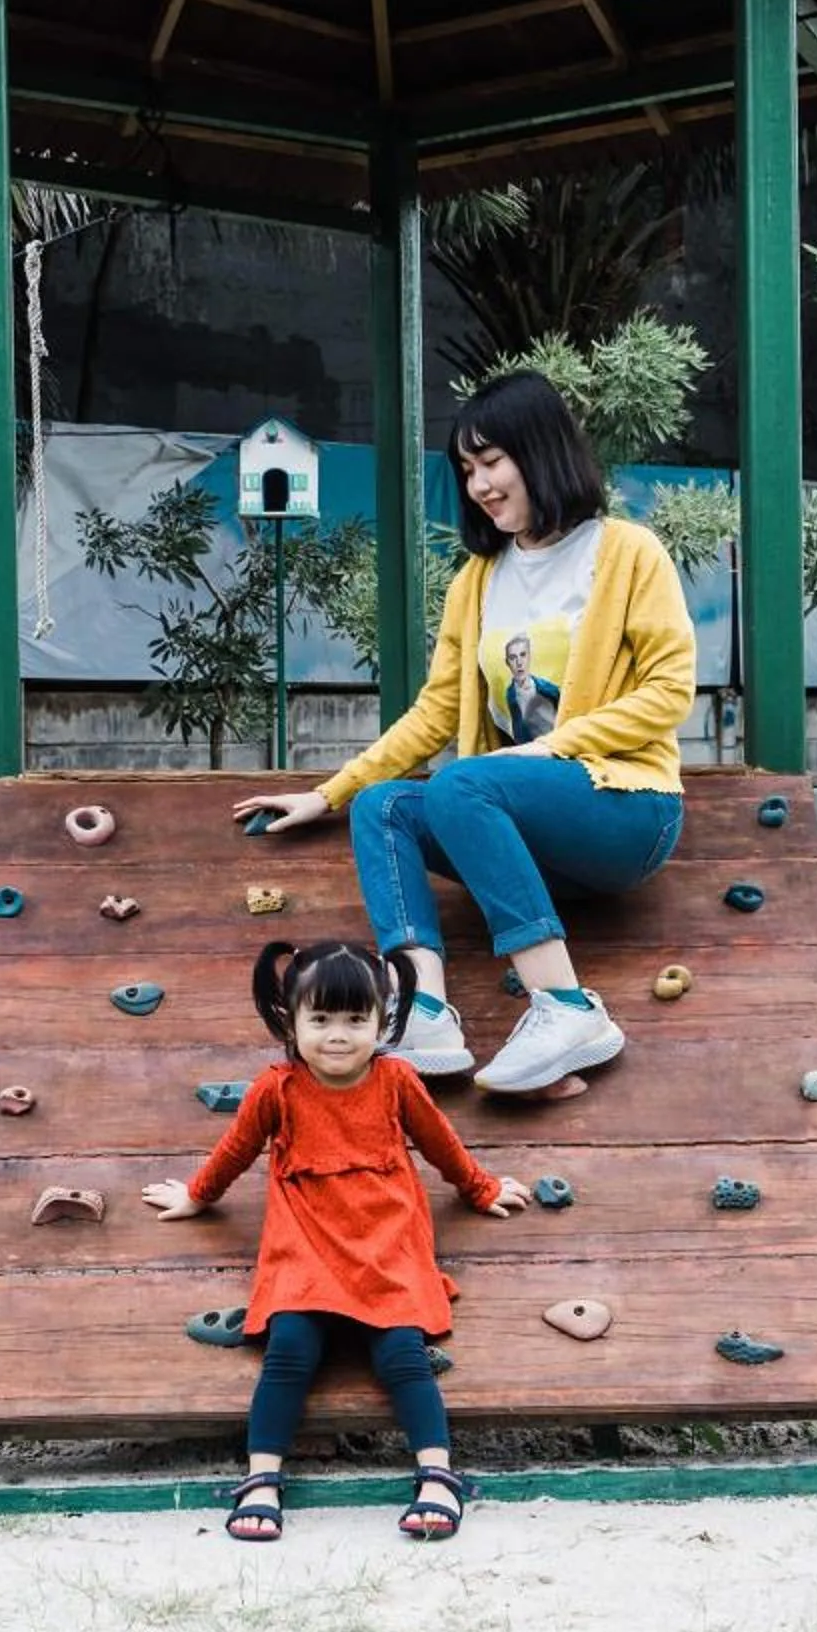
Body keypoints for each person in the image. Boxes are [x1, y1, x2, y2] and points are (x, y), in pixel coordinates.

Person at [234, 370, 696, 1096]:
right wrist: (329, 793)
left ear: (539, 451)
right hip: (516, 828)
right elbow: (436, 713)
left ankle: (566, 1007)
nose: (479, 484)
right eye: (467, 469)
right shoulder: (478, 580)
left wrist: (551, 747)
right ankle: (423, 1010)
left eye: (492, 461)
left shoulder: (627, 553)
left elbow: (668, 692)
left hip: (622, 808)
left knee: (462, 781)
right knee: (384, 807)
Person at [140, 939, 531, 1543]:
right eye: (320, 1020)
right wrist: (197, 1195)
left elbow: (440, 1143)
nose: (338, 1036)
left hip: (387, 1238)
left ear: (382, 1022)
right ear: (290, 1020)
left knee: (402, 1352)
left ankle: (437, 1475)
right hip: (307, 1241)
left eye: (356, 1020)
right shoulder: (278, 1088)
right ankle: (262, 1479)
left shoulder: (397, 1080)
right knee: (290, 1346)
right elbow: (236, 1150)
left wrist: (479, 1189)